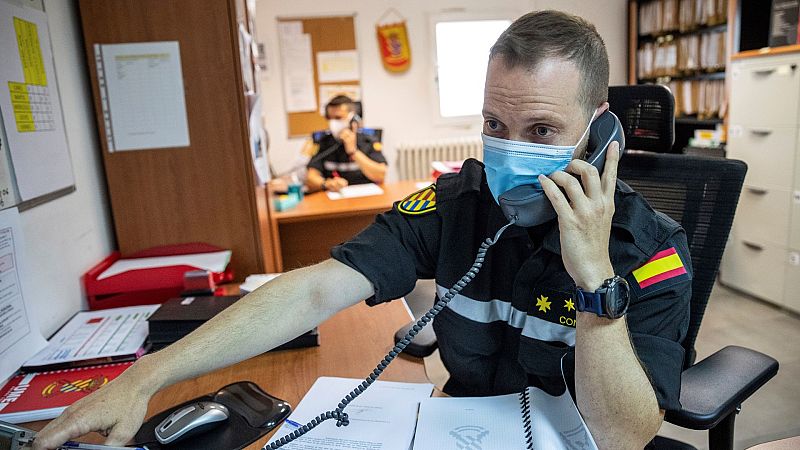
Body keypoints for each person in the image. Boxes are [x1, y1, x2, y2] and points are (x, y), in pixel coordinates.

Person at [33, 11, 690, 450]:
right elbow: (315, 291)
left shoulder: (652, 249)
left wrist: (595, 283)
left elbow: (623, 436)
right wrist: (145, 376)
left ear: (598, 130)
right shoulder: (455, 204)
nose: (510, 150)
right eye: (494, 125)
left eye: (541, 131)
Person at [304, 95, 387, 193]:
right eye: (330, 118)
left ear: (353, 120)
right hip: (335, 199)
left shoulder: (369, 140)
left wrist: (353, 152)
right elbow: (310, 178)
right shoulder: (323, 142)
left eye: (338, 118)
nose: (333, 123)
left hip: (366, 198)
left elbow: (380, 175)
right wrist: (326, 183)